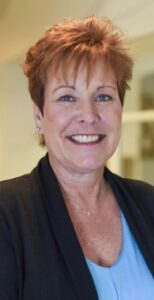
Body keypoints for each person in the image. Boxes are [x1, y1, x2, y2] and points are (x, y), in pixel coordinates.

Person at [0, 16, 154, 300]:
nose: (89, 115)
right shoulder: (7, 214)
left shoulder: (148, 202)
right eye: (67, 98)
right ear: (39, 116)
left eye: (104, 97)